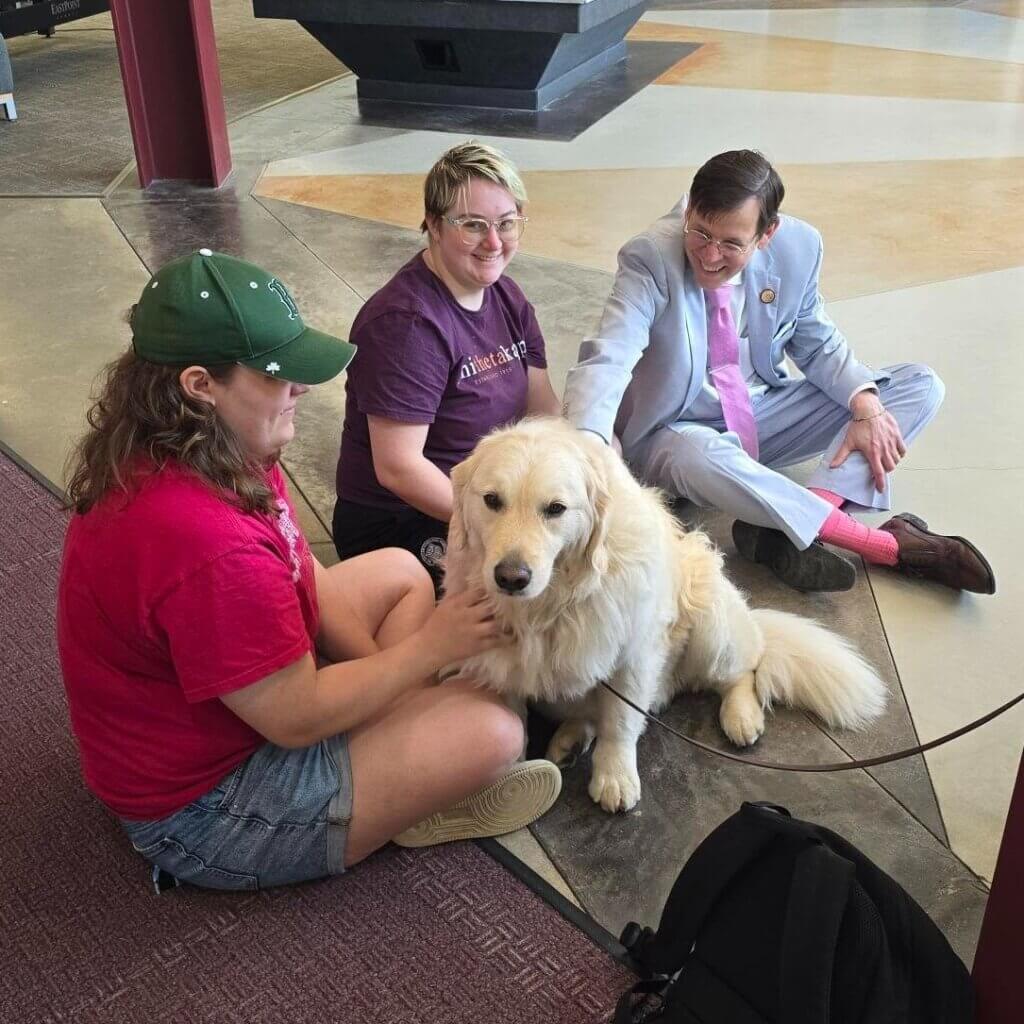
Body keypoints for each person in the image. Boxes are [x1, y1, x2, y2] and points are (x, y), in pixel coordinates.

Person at [56, 250, 561, 892]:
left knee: (403, 571)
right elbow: (293, 718)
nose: (302, 388)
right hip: (208, 811)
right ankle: (408, 799)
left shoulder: (217, 445)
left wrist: (402, 692)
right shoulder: (205, 542)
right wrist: (433, 649)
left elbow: (304, 572)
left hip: (220, 712)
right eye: (278, 373)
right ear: (199, 384)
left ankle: (401, 749)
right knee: (492, 731)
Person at [562, 150, 994, 595]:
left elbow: (817, 342)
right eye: (701, 233)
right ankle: (886, 546)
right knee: (700, 454)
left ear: (767, 233)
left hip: (760, 414)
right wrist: (585, 454)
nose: (709, 256)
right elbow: (609, 355)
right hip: (676, 433)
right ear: (689, 209)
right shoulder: (650, 257)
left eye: (731, 244)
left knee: (918, 386)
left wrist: (865, 407)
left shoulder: (800, 248)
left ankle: (780, 527)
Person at [333, 141, 561, 589]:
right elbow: (399, 468)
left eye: (507, 223)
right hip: (401, 520)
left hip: (496, 498)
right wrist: (495, 523)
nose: (493, 242)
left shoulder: (507, 298)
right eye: (473, 225)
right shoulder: (406, 325)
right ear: (434, 226)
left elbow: (544, 412)